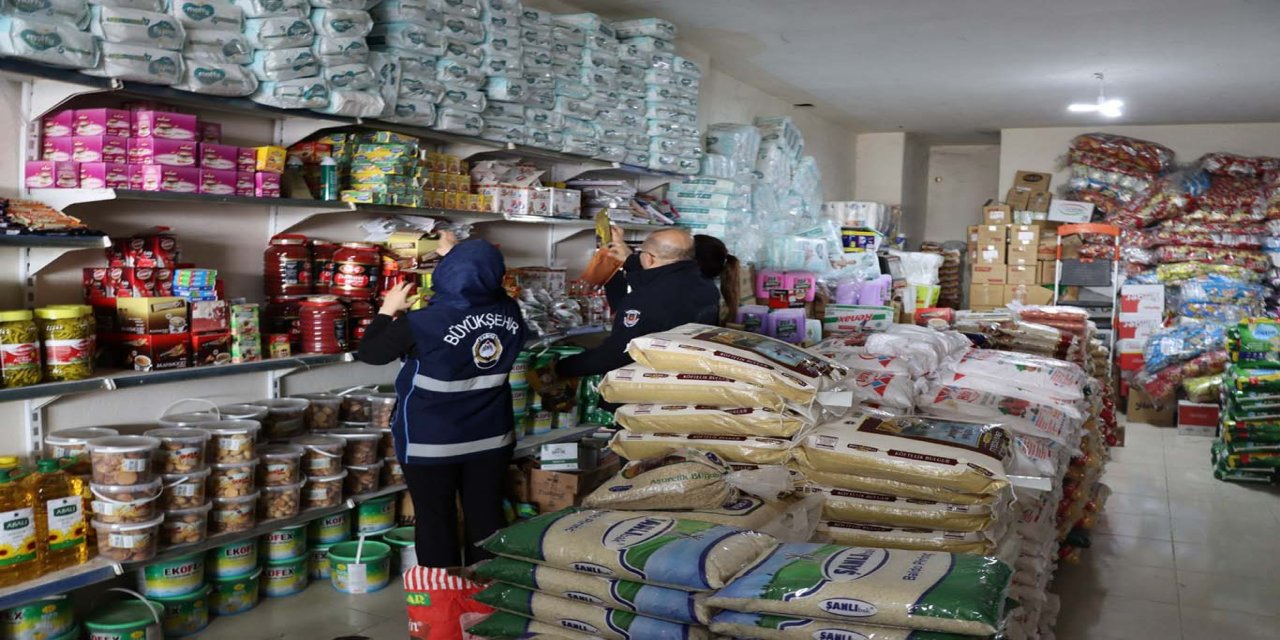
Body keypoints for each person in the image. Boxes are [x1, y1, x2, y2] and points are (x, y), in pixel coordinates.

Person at [357, 233, 527, 567]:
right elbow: (482, 285)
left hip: (430, 441)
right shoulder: (511, 313)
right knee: (486, 516)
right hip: (491, 437)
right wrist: (463, 256)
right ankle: (489, 594)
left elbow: (371, 353)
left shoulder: (423, 322)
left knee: (436, 519)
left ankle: (443, 602)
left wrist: (386, 310)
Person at [553, 227, 720, 380]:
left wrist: (561, 367)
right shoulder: (706, 286)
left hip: (646, 385)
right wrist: (630, 259)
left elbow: (616, 354)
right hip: (683, 379)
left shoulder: (644, 298)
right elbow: (662, 286)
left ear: (648, 258)